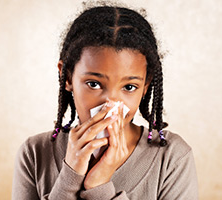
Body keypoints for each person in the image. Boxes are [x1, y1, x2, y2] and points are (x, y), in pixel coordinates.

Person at [12, 4, 198, 200]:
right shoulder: (34, 153)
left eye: (129, 87)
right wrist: (69, 177)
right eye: (94, 84)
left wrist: (99, 186)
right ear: (66, 77)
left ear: (146, 85)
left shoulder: (172, 158)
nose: (111, 104)